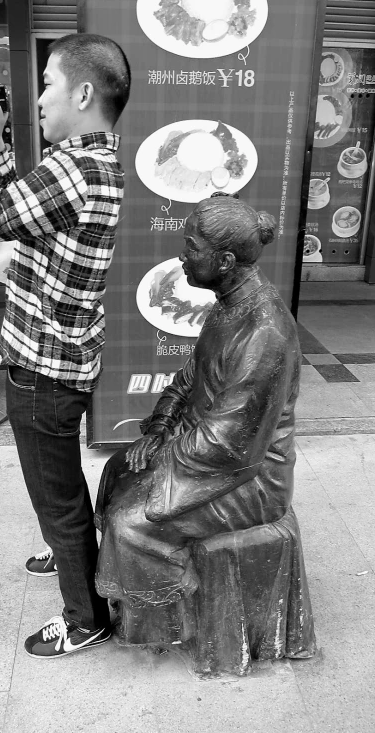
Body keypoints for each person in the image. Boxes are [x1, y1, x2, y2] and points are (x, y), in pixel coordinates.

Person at [0, 33, 131, 658]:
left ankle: (84, 617)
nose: (37, 97)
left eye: (47, 83)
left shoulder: (76, 169)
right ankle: (66, 550)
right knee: (57, 485)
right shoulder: (88, 164)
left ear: (84, 91)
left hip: (43, 368)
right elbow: (18, 210)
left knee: (57, 491)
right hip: (56, 358)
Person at [95, 196, 305, 635]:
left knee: (132, 522)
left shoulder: (265, 332)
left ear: (225, 260)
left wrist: (163, 455)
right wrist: (156, 432)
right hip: (205, 450)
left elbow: (232, 442)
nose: (181, 255)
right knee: (117, 469)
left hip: (250, 474)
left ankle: (168, 627)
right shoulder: (229, 304)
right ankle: (140, 607)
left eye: (191, 247)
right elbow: (188, 379)